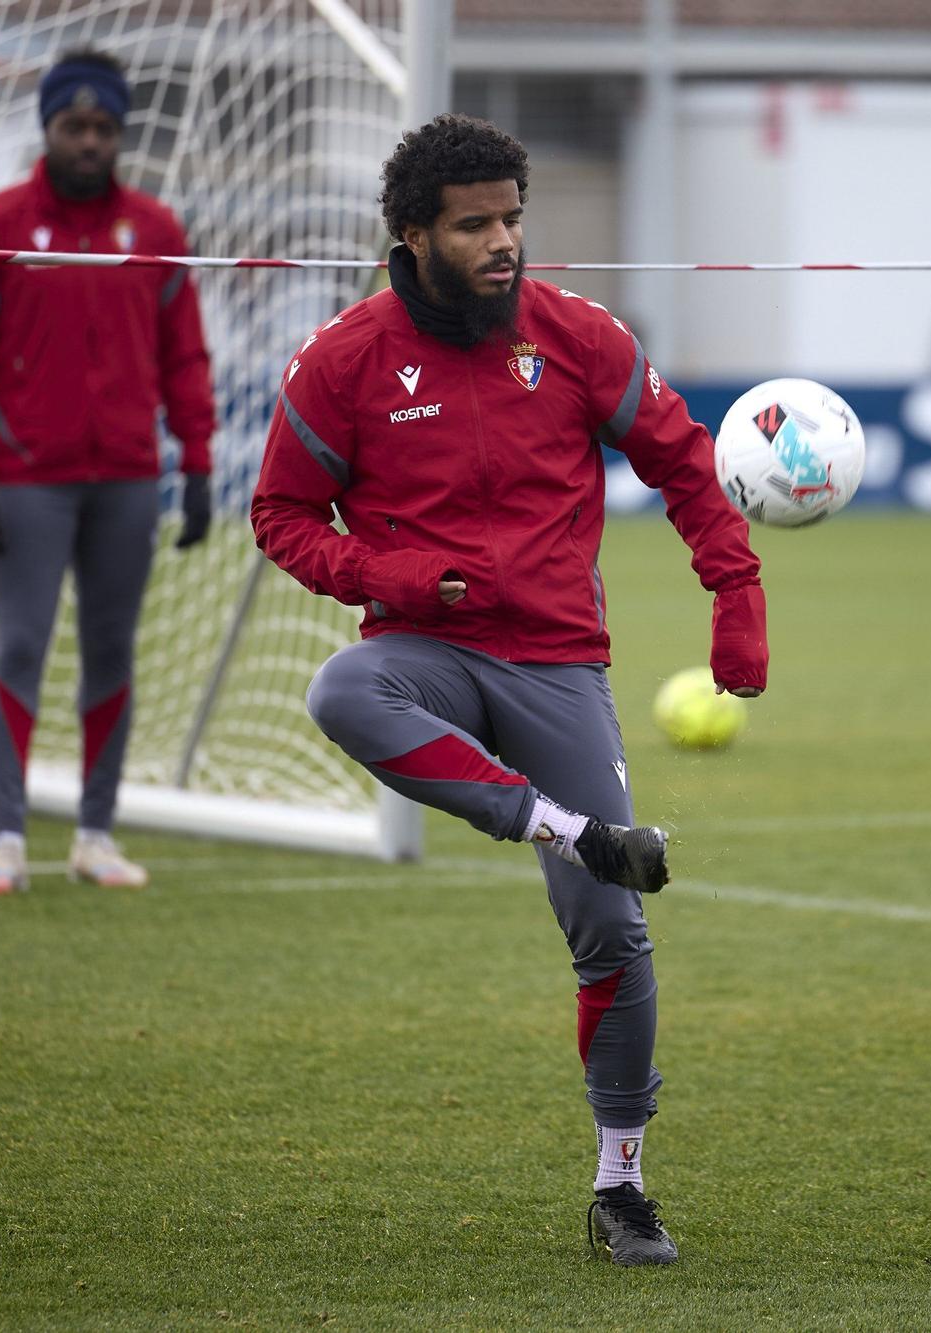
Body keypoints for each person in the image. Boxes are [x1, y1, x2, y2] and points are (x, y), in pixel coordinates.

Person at [249, 114, 768, 1264]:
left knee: (612, 932)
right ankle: (564, 828)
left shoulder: (575, 335)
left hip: (555, 661)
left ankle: (621, 1186)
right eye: (473, 225)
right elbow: (279, 514)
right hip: (421, 650)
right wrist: (387, 577)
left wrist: (735, 596)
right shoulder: (342, 359)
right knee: (341, 689)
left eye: (511, 219)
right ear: (410, 234)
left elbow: (683, 461)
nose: (502, 242)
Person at [0, 48, 216, 896]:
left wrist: (198, 465)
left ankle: (95, 835)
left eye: (103, 128)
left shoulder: (156, 231)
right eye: (73, 126)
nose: (89, 141)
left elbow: (185, 358)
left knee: (111, 653)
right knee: (20, 646)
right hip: (27, 482)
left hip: (128, 477)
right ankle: (6, 841)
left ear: (120, 133)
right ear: (47, 128)